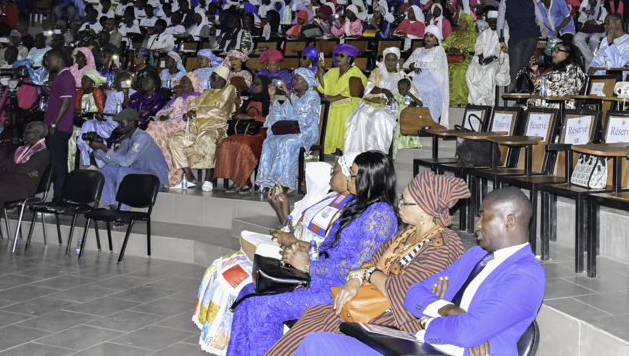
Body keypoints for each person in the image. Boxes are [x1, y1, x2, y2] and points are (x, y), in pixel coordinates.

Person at [292, 186, 545, 356]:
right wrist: (446, 309)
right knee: (316, 343)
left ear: (509, 220)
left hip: (444, 349)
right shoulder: (475, 255)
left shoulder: (526, 275)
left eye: (483, 217)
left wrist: (430, 324)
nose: (476, 225)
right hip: (420, 345)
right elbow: (414, 294)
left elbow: (468, 331)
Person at [268, 172, 471, 355]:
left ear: (425, 211)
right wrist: (355, 279)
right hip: (373, 304)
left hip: (399, 320)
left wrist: (368, 273)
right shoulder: (407, 234)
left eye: (405, 202)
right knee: (316, 315)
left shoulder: (443, 245)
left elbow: (405, 291)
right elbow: (367, 263)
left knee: (328, 322)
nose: (399, 205)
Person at [225, 151, 399, 356]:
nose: (348, 179)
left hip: (336, 289)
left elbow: (359, 267)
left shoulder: (381, 214)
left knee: (261, 307)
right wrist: (301, 249)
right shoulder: (356, 204)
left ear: (368, 179)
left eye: (352, 174)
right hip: (320, 276)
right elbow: (329, 247)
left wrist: (308, 265)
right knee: (247, 292)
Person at [195, 158, 354, 356]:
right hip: (300, 252)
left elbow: (329, 252)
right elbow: (299, 230)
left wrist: (299, 252)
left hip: (311, 266)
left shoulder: (352, 209)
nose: (302, 182)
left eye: (338, 172)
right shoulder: (329, 200)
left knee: (256, 300)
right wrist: (282, 210)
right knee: (243, 288)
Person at [168, 66, 237, 191]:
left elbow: (220, 111)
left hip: (215, 126)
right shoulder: (206, 92)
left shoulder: (229, 89)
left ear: (224, 81)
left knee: (207, 139)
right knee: (174, 140)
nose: (212, 82)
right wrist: (188, 114)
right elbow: (193, 105)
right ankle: (189, 175)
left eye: (216, 79)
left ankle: (209, 177)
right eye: (211, 79)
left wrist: (197, 113)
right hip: (196, 127)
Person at [87, 108, 170, 207]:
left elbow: (125, 163)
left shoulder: (141, 137)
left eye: (121, 123)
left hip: (155, 180)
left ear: (131, 123)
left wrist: (103, 147)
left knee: (123, 171)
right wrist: (97, 149)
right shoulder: (128, 139)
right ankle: (112, 206)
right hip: (141, 176)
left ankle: (122, 213)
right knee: (106, 169)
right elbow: (115, 161)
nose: (119, 127)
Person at [256, 69, 322, 191]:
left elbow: (303, 112)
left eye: (298, 78)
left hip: (306, 130)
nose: (295, 81)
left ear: (307, 82)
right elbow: (280, 115)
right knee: (268, 141)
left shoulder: (312, 95)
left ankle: (284, 184)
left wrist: (286, 91)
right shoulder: (292, 95)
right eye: (294, 78)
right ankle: (268, 181)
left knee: (287, 143)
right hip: (290, 130)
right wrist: (272, 98)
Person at [344, 47, 415, 156]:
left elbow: (412, 93)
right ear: (384, 60)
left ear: (397, 61)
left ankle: (378, 155)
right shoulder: (377, 72)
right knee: (361, 115)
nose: (390, 62)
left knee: (380, 117)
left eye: (393, 60)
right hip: (373, 103)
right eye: (388, 59)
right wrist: (384, 91)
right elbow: (369, 88)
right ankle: (357, 154)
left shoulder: (402, 75)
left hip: (391, 107)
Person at [0, 121, 48, 224]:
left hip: (21, 189)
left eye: (27, 131)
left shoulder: (43, 153)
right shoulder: (20, 149)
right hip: (6, 185)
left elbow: (22, 169)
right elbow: (0, 164)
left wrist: (13, 168)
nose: (23, 134)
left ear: (37, 133)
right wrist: (20, 169)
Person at [213, 74, 271, 192]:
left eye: (257, 84)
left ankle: (244, 180)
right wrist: (238, 110)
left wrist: (250, 117)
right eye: (253, 83)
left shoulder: (269, 102)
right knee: (226, 142)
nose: (253, 86)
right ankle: (237, 179)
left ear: (265, 86)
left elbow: (270, 120)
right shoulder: (249, 100)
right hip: (245, 131)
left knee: (243, 145)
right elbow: (238, 116)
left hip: (260, 133)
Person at [145, 73, 203, 186]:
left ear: (193, 86)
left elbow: (179, 114)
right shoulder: (177, 97)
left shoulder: (195, 99)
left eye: (185, 81)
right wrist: (161, 116)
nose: (182, 84)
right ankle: (154, 171)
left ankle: (167, 173)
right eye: (181, 81)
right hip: (168, 126)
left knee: (154, 129)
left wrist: (178, 97)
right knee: (153, 128)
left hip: (182, 128)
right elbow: (165, 111)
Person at [316, 44, 367, 155]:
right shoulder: (333, 71)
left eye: (341, 56)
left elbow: (355, 92)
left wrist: (334, 98)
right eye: (337, 55)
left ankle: (340, 148)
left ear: (349, 59)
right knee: (325, 110)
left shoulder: (356, 73)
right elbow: (324, 87)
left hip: (351, 101)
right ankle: (322, 146)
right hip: (333, 101)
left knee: (342, 111)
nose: (338, 58)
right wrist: (319, 70)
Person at [42, 48, 76, 201]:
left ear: (58, 59)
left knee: (59, 165)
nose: (46, 63)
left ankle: (59, 199)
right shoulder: (60, 77)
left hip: (59, 128)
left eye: (48, 59)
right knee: (56, 163)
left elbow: (66, 103)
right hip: (57, 126)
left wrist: (54, 124)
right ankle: (58, 197)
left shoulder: (66, 77)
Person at [495, 0, 544, 84]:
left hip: (517, 37)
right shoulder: (530, 0)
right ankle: (525, 90)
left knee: (515, 68)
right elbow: (540, 20)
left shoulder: (505, 1)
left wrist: (501, 40)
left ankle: (516, 94)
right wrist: (536, 33)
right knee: (524, 65)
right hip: (532, 37)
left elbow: (500, 24)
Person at [405, 26, 450, 127]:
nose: (428, 38)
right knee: (405, 85)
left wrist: (416, 64)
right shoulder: (418, 50)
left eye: (431, 36)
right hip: (416, 77)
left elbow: (435, 65)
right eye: (426, 35)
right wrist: (413, 66)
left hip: (432, 79)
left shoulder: (439, 50)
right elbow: (406, 64)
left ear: (436, 39)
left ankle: (427, 121)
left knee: (422, 89)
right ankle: (410, 120)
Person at [466, 12, 510, 106]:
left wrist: (492, 58)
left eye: (495, 21)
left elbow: (504, 49)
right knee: (470, 69)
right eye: (491, 21)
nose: (493, 23)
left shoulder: (505, 32)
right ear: (488, 22)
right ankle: (474, 99)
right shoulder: (485, 33)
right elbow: (478, 45)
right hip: (484, 59)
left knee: (490, 71)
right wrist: (481, 55)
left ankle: (483, 98)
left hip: (499, 61)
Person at [529, 41, 585, 109]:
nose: (553, 53)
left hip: (562, 106)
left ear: (567, 53)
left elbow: (561, 90)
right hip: (548, 103)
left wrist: (539, 93)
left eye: (557, 50)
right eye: (553, 50)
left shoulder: (573, 69)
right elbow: (536, 87)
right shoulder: (552, 69)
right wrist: (535, 71)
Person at [443, 13, 476, 107]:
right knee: (444, 70)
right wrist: (448, 49)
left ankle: (461, 99)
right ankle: (447, 99)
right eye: (460, 21)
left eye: (464, 22)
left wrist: (460, 50)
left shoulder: (472, 36)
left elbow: (472, 50)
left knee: (460, 70)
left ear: (468, 24)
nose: (461, 23)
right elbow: (443, 45)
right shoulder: (452, 35)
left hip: (466, 59)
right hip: (450, 59)